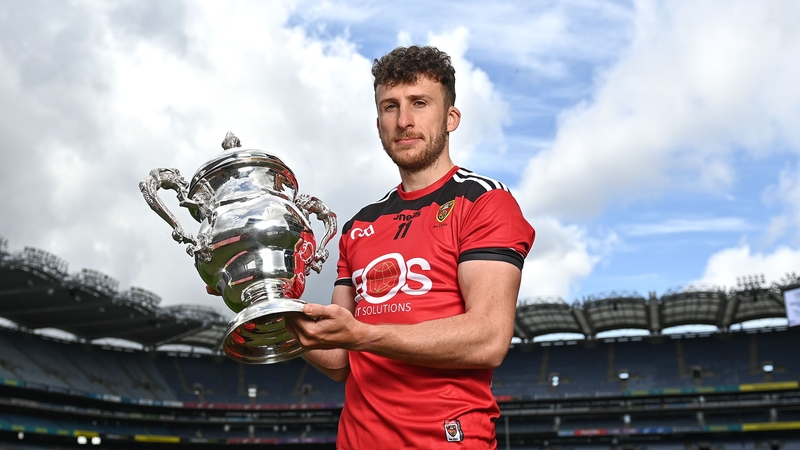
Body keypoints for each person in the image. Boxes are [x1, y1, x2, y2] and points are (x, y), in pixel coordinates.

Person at [285, 45, 535, 449]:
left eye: (419, 103)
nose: (404, 120)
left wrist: (364, 335)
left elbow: (488, 337)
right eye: (390, 106)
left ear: (450, 117)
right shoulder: (361, 224)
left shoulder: (485, 201)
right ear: (379, 122)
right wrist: (265, 300)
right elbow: (337, 359)